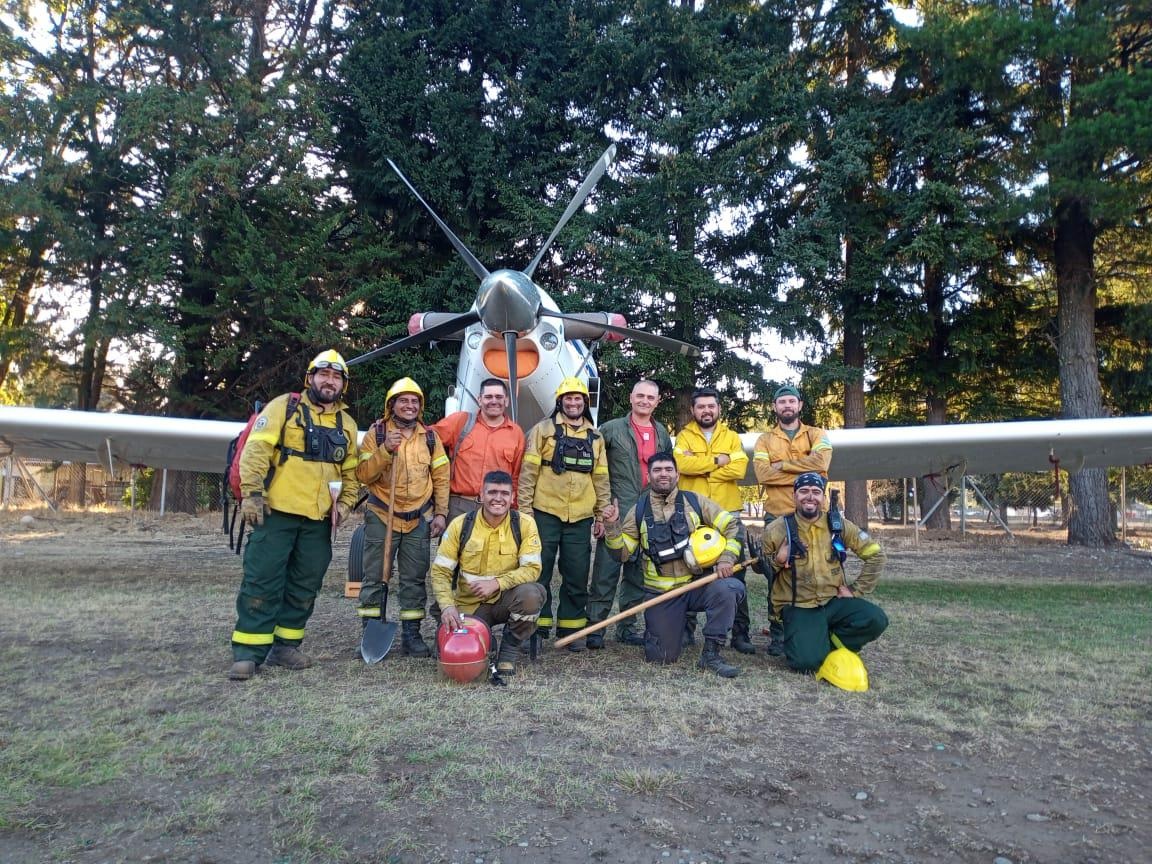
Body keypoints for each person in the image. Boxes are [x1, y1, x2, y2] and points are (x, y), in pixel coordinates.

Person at [229, 350, 360, 681]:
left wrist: (344, 505)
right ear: (310, 378)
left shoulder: (347, 424)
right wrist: (252, 494)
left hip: (317, 522)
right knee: (262, 580)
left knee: (305, 584)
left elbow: (352, 474)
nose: (330, 381)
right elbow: (256, 450)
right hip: (276, 514)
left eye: (336, 376)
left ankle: (286, 645)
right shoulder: (283, 407)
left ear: (343, 384)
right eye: (324, 374)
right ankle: (248, 651)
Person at [602, 452, 745, 677]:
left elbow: (733, 526)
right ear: (648, 477)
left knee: (729, 588)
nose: (663, 474)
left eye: (668, 470)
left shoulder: (696, 502)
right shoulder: (637, 511)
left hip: (698, 586)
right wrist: (612, 527)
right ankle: (675, 629)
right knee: (661, 657)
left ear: (677, 475)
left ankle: (711, 653)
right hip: (662, 594)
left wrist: (727, 557)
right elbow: (621, 554)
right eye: (657, 470)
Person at [355, 377, 450, 658]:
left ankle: (412, 635)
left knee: (414, 578)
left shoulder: (430, 438)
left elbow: (442, 478)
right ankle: (370, 631)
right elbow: (363, 474)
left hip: (418, 519)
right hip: (382, 515)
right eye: (403, 401)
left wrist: (441, 514)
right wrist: (385, 451)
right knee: (375, 576)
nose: (409, 406)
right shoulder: (377, 434)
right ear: (391, 405)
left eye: (414, 401)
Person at [758, 472, 887, 673]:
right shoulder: (776, 529)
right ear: (794, 497)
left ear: (823, 498)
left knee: (876, 619)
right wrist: (778, 559)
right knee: (806, 663)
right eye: (804, 491)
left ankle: (825, 641)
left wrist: (855, 590)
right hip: (799, 605)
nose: (810, 497)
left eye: (816, 492)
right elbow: (759, 567)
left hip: (833, 601)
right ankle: (814, 642)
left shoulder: (838, 525)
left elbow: (876, 555)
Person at [518, 376, 610, 651]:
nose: (573, 403)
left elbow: (601, 479)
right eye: (568, 398)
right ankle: (535, 627)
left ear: (585, 402)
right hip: (544, 512)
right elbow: (528, 474)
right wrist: (525, 511)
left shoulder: (596, 437)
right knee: (539, 570)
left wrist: (601, 515)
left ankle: (572, 629)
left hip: (581, 517)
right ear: (560, 401)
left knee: (577, 573)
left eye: (578, 398)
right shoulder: (542, 431)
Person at [430, 471, 546, 677]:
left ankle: (509, 651)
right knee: (461, 657)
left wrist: (497, 583)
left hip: (505, 601)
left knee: (532, 594)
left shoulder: (525, 524)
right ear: (481, 495)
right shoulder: (460, 524)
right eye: (492, 492)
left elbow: (532, 569)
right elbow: (440, 571)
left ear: (513, 497)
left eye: (504, 493)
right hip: (469, 605)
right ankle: (483, 639)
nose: (498, 498)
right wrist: (447, 607)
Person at [588, 379, 672, 648]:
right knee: (606, 571)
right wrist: (600, 514)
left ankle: (626, 628)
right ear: (631, 398)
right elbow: (595, 471)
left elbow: (667, 474)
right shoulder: (611, 429)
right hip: (617, 510)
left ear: (657, 402)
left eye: (650, 397)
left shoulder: (662, 433)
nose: (645, 401)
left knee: (637, 573)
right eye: (640, 396)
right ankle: (595, 629)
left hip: (648, 512)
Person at [752, 384, 833, 654]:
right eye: (781, 402)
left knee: (816, 572)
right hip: (778, 515)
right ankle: (778, 634)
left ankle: (815, 628)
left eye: (791, 401)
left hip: (813, 517)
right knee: (776, 575)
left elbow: (822, 464)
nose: (787, 406)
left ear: (800, 405)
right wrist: (806, 468)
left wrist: (783, 466)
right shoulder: (764, 440)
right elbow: (763, 475)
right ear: (774, 407)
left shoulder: (817, 434)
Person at [672, 387, 751, 653]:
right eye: (701, 407)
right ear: (693, 410)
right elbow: (682, 466)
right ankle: (685, 630)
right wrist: (718, 462)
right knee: (688, 570)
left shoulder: (731, 436)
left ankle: (741, 634)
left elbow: (739, 468)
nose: (706, 410)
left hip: (728, 512)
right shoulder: (684, 436)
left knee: (736, 571)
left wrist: (703, 469)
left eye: (711, 406)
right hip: (693, 513)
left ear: (718, 409)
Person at [432, 377, 525, 520]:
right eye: (488, 397)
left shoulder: (516, 433)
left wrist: (514, 511)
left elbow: (516, 476)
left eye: (499, 397)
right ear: (479, 399)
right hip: (459, 507)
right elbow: (425, 437)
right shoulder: (460, 422)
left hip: (497, 508)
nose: (494, 401)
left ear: (506, 400)